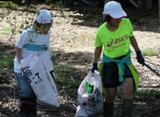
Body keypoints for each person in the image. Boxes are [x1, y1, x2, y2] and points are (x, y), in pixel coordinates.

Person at [91, 1, 145, 117]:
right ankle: (108, 114)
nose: (119, 19)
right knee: (111, 96)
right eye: (115, 17)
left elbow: (131, 37)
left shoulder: (126, 23)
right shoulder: (101, 31)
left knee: (129, 91)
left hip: (125, 62)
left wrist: (138, 52)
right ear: (107, 17)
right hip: (110, 64)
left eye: (120, 16)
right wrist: (94, 64)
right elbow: (98, 48)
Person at [14, 9, 53, 117]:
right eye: (46, 26)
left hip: (35, 68)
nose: (48, 28)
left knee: (35, 90)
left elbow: (45, 50)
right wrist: (21, 62)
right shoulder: (28, 34)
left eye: (50, 25)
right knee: (26, 90)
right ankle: (24, 113)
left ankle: (32, 113)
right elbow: (18, 47)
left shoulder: (46, 36)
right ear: (38, 23)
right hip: (22, 67)